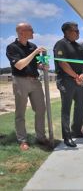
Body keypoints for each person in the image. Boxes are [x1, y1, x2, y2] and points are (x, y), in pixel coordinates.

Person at [6, 23, 49, 151]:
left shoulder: (32, 46)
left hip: (35, 81)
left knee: (41, 109)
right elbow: (19, 65)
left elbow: (37, 64)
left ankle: (41, 137)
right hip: (20, 81)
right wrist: (34, 52)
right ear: (22, 32)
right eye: (30, 30)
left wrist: (43, 65)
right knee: (21, 112)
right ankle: (22, 140)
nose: (33, 31)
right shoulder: (12, 47)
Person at [54, 22, 83, 148]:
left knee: (80, 107)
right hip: (66, 81)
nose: (78, 32)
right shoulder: (61, 44)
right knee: (66, 109)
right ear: (67, 32)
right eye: (76, 30)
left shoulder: (78, 47)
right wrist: (76, 76)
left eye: (78, 30)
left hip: (79, 81)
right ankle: (67, 136)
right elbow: (63, 63)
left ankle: (77, 131)